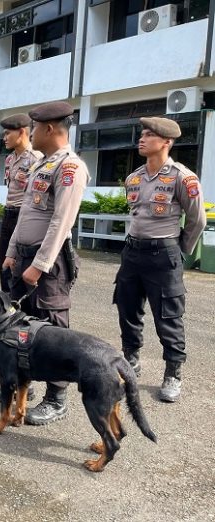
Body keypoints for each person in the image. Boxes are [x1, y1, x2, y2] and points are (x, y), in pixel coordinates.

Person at [0, 101, 89, 426]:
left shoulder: (70, 167)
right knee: (25, 325)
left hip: (48, 262)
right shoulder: (41, 165)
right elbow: (26, 213)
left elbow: (61, 221)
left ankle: (57, 398)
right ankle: (22, 387)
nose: (30, 133)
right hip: (23, 255)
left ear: (50, 128)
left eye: (34, 127)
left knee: (52, 328)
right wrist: (10, 250)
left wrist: (40, 263)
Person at [114, 117, 206, 403]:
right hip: (132, 252)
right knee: (127, 309)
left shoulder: (182, 177)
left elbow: (197, 219)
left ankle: (173, 372)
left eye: (149, 135)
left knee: (168, 315)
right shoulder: (135, 177)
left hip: (163, 254)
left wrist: (179, 250)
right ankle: (131, 359)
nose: (142, 139)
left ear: (166, 142)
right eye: (141, 134)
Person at [0, 114, 43, 293]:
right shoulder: (9, 159)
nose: (4, 138)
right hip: (8, 213)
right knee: (4, 261)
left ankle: (19, 305)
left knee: (20, 263)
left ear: (22, 132)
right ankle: (6, 302)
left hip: (24, 215)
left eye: (8, 133)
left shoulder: (36, 158)